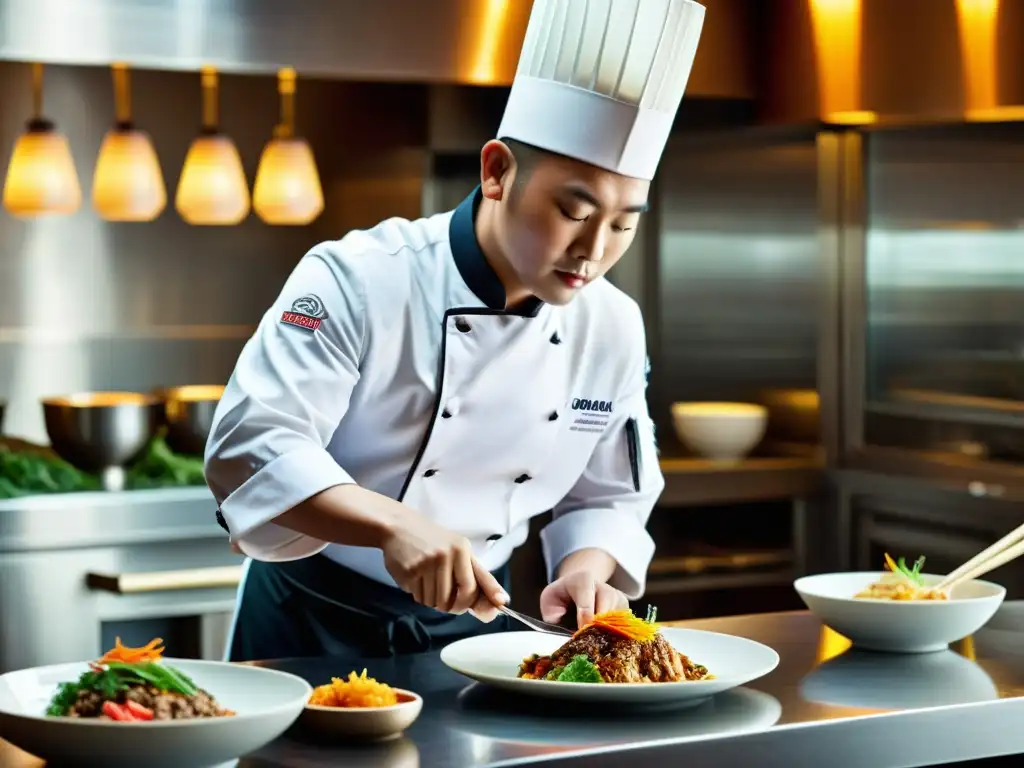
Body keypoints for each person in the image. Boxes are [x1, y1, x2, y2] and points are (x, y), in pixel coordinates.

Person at [205, 0, 707, 662]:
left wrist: (588, 569)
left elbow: (610, 491)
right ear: (496, 171)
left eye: (623, 224)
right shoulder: (359, 279)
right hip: (310, 624)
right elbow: (253, 447)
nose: (593, 250)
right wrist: (392, 524)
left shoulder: (611, 324)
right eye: (572, 210)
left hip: (478, 632)